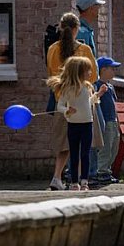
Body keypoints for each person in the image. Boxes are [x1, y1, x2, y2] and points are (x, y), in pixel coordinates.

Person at [46, 12, 97, 190]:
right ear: (77, 29)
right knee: (84, 146)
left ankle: (57, 177)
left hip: (60, 99)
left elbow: (51, 73)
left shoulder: (52, 49)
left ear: (61, 28)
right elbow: (94, 75)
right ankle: (82, 181)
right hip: (81, 103)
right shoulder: (84, 50)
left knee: (64, 143)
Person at [47, 57, 107, 191]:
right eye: (87, 70)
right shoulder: (67, 89)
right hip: (73, 125)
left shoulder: (87, 87)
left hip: (87, 124)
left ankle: (84, 181)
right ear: (79, 72)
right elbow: (60, 106)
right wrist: (67, 110)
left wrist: (99, 94)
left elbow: (89, 101)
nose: (90, 73)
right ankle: (74, 182)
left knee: (85, 154)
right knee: (74, 154)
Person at [94, 56, 121, 185]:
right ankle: (101, 171)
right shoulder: (97, 85)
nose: (114, 71)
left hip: (113, 120)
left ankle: (107, 170)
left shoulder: (110, 86)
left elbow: (114, 105)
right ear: (103, 69)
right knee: (105, 147)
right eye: (112, 68)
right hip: (105, 121)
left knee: (114, 147)